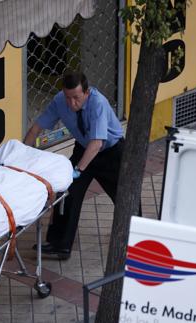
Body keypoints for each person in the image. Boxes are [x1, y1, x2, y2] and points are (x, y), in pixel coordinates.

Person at [24, 71, 124, 260]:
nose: (71, 103)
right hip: (84, 148)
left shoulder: (98, 103)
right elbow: (37, 128)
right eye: (68, 97)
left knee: (125, 196)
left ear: (86, 93)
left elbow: (97, 143)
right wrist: (22, 155)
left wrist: (78, 170)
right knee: (66, 192)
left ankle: (139, 236)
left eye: (76, 98)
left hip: (110, 152)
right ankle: (59, 244)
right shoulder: (60, 100)